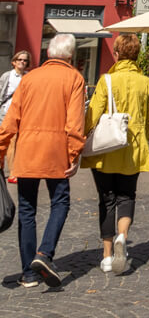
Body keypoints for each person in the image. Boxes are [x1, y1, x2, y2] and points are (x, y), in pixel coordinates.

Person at [0, 33, 86, 288]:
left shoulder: (29, 79)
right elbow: (75, 123)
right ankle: (44, 253)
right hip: (56, 154)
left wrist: (1, 152)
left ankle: (28, 274)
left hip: (28, 153)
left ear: (48, 53)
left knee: (27, 210)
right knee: (60, 202)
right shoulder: (74, 78)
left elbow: (10, 121)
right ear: (70, 56)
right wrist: (74, 154)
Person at [82, 34, 149, 275]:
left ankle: (105, 256)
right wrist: (143, 137)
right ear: (136, 55)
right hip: (132, 148)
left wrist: (83, 136)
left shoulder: (107, 80)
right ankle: (122, 237)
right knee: (126, 196)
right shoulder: (146, 82)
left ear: (117, 53)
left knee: (107, 199)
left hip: (106, 149)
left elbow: (93, 114)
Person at [0, 49, 32, 182]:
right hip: (4, 113)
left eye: (25, 60)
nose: (22, 62)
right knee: (3, 142)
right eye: (20, 60)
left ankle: (13, 173)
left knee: (15, 143)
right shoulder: (7, 76)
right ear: (14, 62)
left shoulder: (29, 76)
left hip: (21, 115)